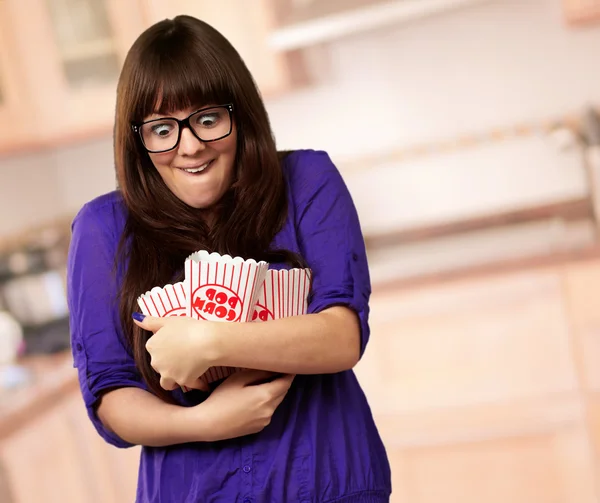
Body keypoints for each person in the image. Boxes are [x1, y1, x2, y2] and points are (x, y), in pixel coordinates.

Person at [67, 14, 391, 503]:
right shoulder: (102, 229)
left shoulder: (306, 181)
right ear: (138, 140)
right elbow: (112, 399)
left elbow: (342, 337)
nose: (191, 146)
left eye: (208, 119)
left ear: (240, 115)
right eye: (161, 129)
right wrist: (203, 422)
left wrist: (212, 341)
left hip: (327, 481)